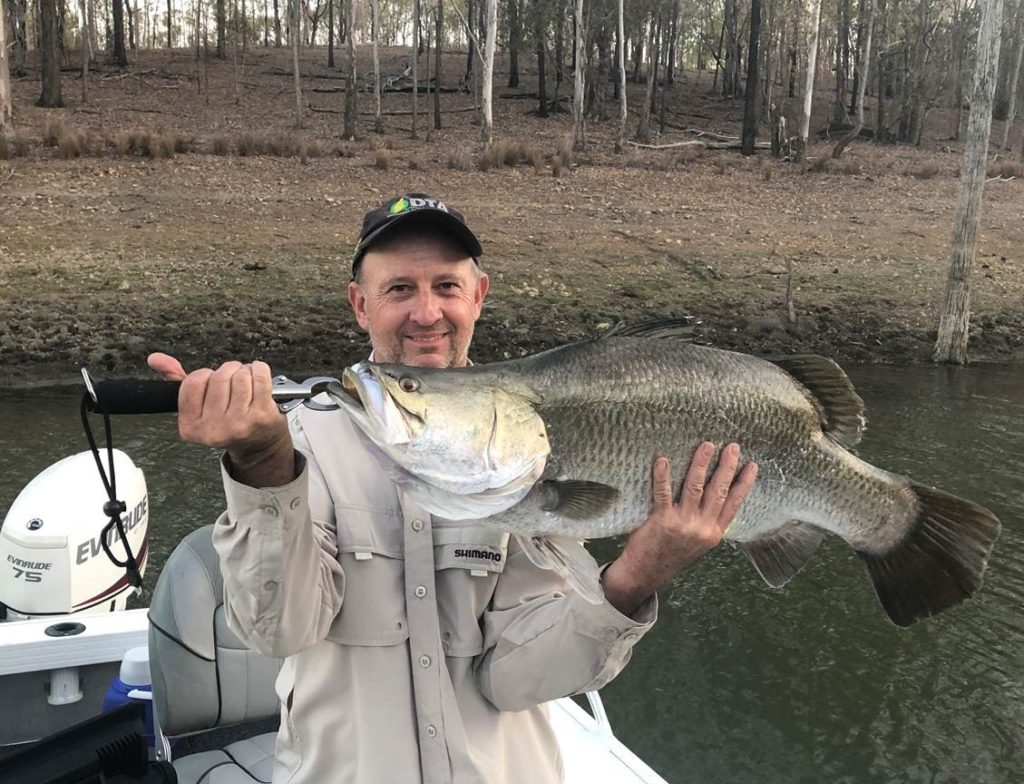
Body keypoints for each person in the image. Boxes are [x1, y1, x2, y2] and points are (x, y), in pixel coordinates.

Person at [148, 193, 758, 784]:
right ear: (360, 304)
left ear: (478, 296)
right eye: (399, 289)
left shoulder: (522, 454)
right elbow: (280, 631)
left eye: (446, 286)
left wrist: (638, 574)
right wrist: (261, 462)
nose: (426, 313)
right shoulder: (297, 443)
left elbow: (519, 678)